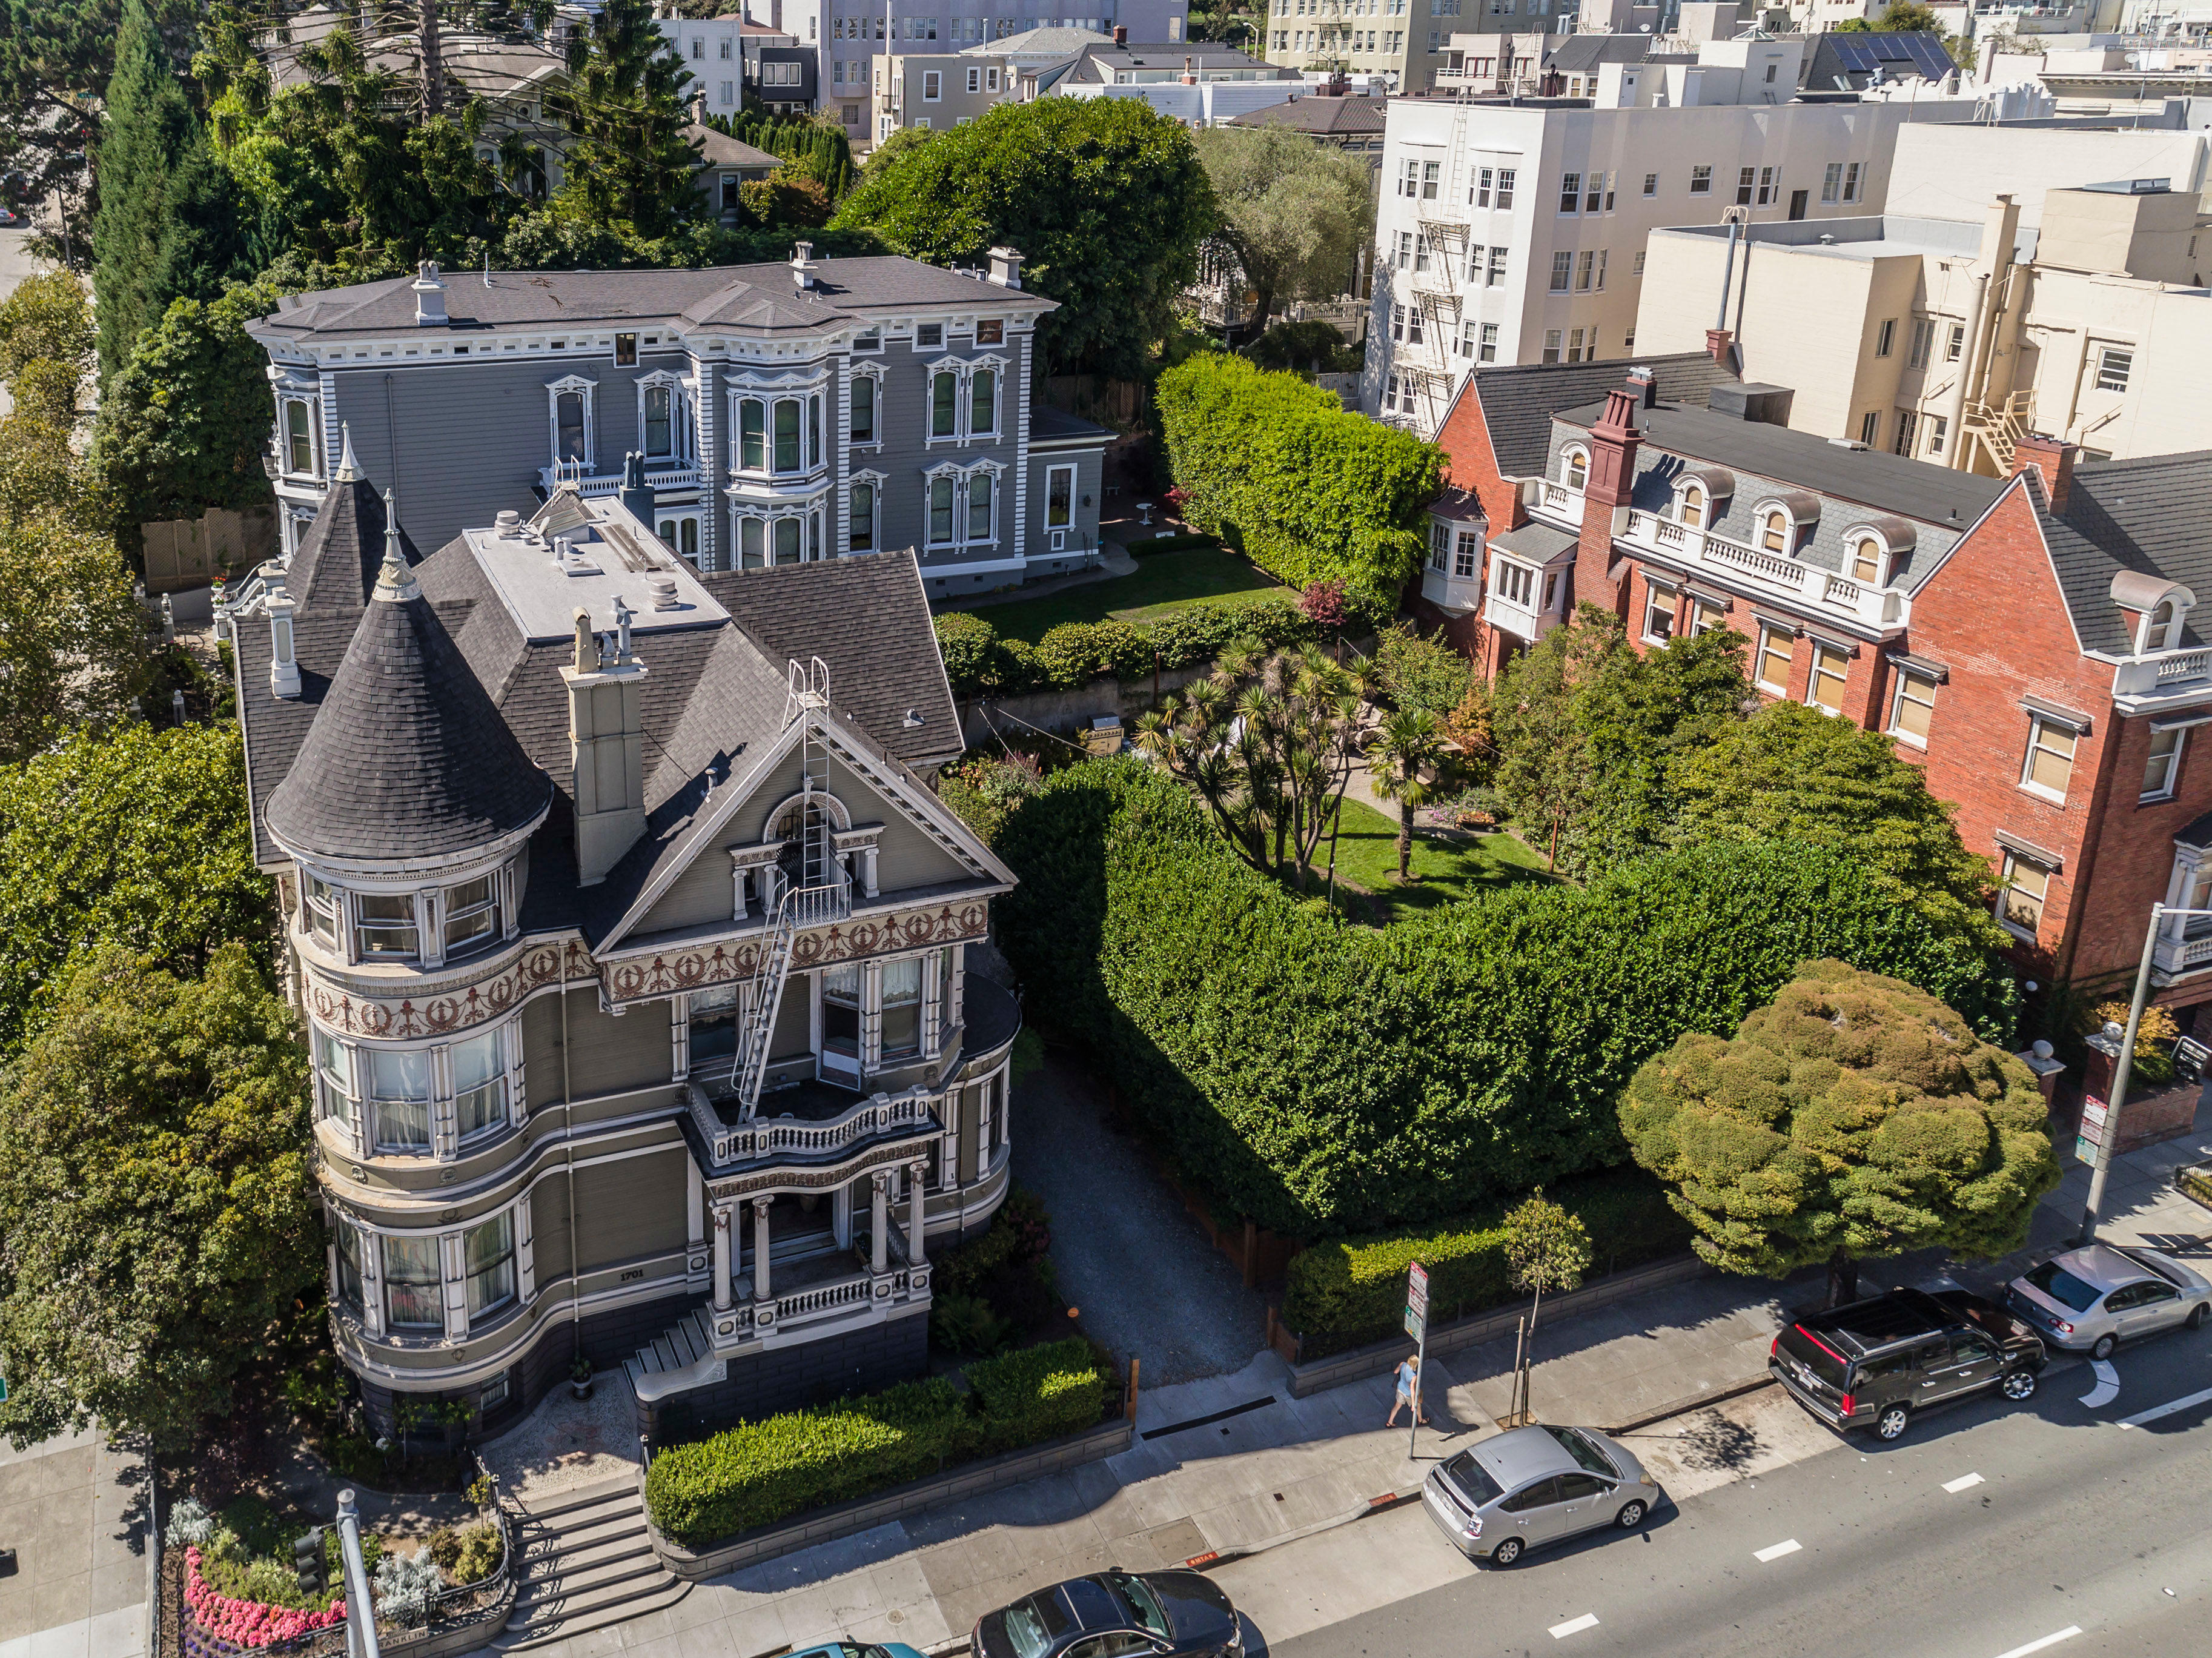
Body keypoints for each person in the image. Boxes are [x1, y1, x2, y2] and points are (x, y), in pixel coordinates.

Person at [1386, 1351, 1426, 1428]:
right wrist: (1413, 1404)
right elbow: (1412, 1389)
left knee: (1397, 1406)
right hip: (1408, 1394)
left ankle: (1390, 1422)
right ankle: (1421, 1420)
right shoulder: (1414, 1376)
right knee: (1418, 1406)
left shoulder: (1402, 1364)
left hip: (1400, 1389)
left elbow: (1395, 1372)